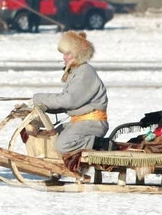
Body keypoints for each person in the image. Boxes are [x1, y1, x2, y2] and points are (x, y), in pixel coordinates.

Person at [31, 31, 113, 168]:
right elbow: (69, 103)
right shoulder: (77, 71)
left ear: (78, 54)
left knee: (63, 144)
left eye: (68, 53)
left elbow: (69, 100)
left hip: (92, 123)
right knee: (51, 135)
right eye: (64, 53)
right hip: (79, 121)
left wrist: (39, 98)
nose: (64, 57)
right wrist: (45, 105)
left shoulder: (85, 72)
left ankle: (100, 144)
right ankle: (58, 169)